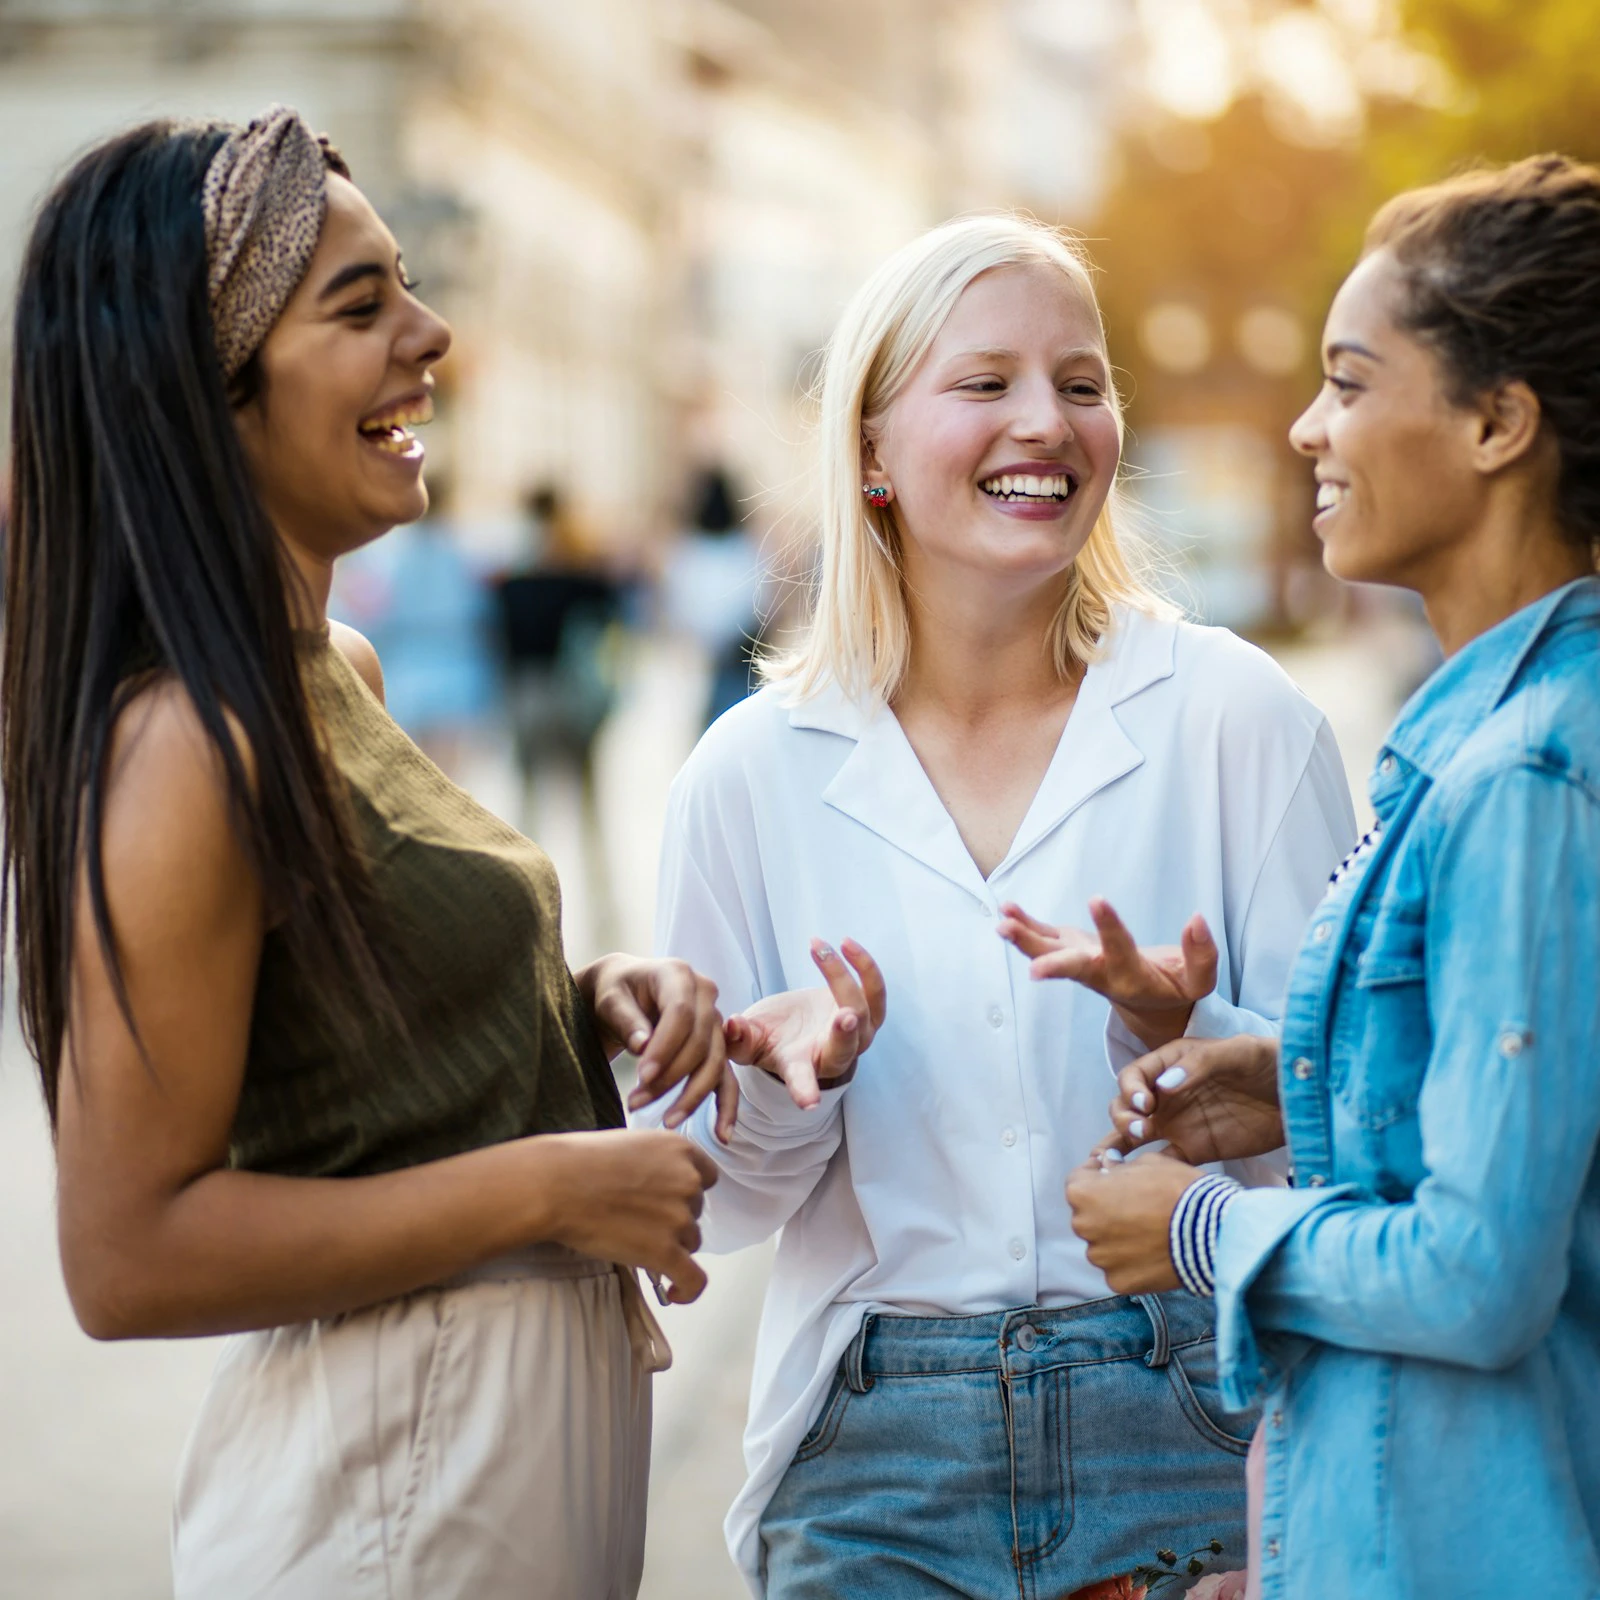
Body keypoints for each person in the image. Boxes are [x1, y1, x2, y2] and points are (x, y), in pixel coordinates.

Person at [0, 108, 734, 1600]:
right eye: (361, 304)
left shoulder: (330, 667)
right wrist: (550, 1188)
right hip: (399, 1487)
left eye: (407, 284)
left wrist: (570, 1000)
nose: (432, 332)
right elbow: (126, 1256)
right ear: (205, 390)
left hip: (492, 1459)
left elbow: (356, 1059)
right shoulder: (190, 746)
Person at [638, 214, 1356, 1597]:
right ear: (869, 452)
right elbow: (717, 1207)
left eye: (1082, 384)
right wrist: (792, 1083)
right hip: (872, 1457)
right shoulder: (748, 774)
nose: (1049, 420)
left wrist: (1177, 1027)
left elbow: (1355, 1142)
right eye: (987, 384)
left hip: (1189, 1413)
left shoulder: (1237, 720)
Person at [1067, 154, 1600, 1599]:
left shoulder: (1529, 777)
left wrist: (1195, 1227)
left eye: (1352, 383)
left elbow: (1480, 1275)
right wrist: (1283, 1076)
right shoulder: (1492, 746)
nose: (1308, 427)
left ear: (1499, 422)